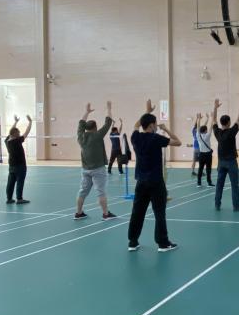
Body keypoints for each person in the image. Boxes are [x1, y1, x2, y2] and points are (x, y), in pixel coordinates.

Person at [127, 112, 181, 252]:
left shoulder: (135, 137)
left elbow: (136, 125)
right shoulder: (156, 138)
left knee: (137, 212)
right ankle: (163, 243)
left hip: (141, 182)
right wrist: (166, 129)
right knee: (159, 213)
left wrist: (147, 112)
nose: (157, 126)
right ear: (152, 125)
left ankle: (132, 242)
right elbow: (178, 142)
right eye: (155, 124)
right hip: (156, 182)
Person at [75, 101, 117, 221]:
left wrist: (86, 112)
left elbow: (80, 123)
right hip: (98, 169)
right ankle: (105, 214)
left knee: (82, 191)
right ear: (95, 128)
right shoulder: (97, 135)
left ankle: (78, 213)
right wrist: (109, 108)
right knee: (101, 192)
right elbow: (108, 122)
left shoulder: (80, 136)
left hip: (85, 169)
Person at [213, 97, 239, 211]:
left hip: (221, 163)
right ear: (228, 122)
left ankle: (217, 204)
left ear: (221, 123)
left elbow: (214, 120)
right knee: (234, 185)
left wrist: (215, 107)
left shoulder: (217, 132)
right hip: (231, 162)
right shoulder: (231, 132)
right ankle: (236, 205)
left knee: (219, 184)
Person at [5, 114, 32, 204]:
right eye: (18, 133)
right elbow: (26, 132)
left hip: (11, 166)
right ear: (15, 134)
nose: (19, 134)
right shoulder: (17, 141)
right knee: (20, 182)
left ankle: (9, 198)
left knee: (10, 182)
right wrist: (30, 122)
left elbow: (11, 131)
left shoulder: (7, 141)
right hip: (20, 166)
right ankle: (19, 199)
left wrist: (15, 122)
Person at [196, 112, 214, 186]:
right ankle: (209, 182)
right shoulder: (207, 136)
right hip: (208, 155)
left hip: (201, 154)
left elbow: (198, 127)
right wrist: (212, 117)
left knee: (200, 168)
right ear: (205, 130)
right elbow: (211, 126)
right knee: (208, 169)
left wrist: (198, 119)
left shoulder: (198, 135)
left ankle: (199, 182)